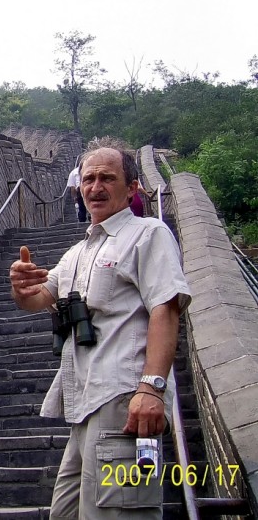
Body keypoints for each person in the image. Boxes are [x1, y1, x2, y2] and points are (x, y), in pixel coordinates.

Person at [10, 146, 191, 519]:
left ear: (132, 188)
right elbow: (41, 296)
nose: (96, 186)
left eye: (108, 178)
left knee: (121, 513)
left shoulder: (148, 233)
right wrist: (21, 286)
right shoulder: (77, 252)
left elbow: (166, 308)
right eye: (89, 179)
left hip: (127, 400)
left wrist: (151, 389)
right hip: (84, 406)